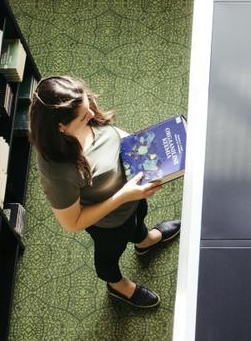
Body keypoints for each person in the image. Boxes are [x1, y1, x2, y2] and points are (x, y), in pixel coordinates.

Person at [29, 75, 180, 308]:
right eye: (83, 116)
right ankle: (117, 285)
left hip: (132, 194)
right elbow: (72, 223)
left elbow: (110, 133)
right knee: (108, 256)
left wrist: (134, 142)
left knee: (139, 218)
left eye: (89, 105)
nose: (91, 115)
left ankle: (144, 241)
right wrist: (123, 196)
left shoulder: (85, 112)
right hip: (109, 223)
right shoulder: (57, 171)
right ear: (61, 127)